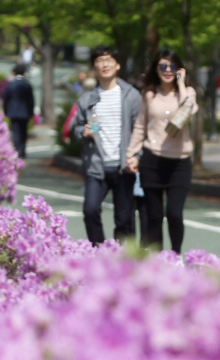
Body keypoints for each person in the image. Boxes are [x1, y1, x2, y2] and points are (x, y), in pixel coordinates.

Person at [126, 49, 198, 254]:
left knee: (174, 213)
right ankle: (157, 262)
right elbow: (140, 126)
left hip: (180, 162)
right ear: (156, 69)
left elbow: (190, 110)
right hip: (153, 160)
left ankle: (176, 256)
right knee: (154, 217)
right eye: (162, 66)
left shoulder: (188, 93)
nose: (167, 71)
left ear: (179, 69)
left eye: (172, 67)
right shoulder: (149, 93)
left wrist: (181, 84)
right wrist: (131, 154)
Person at [74, 46, 142, 246]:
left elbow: (140, 129)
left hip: (123, 166)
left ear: (118, 65)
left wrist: (137, 155)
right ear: (94, 68)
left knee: (124, 219)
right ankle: (98, 251)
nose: (105, 64)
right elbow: (77, 128)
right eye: (100, 61)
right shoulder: (87, 99)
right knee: (90, 210)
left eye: (109, 60)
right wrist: (83, 132)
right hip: (97, 165)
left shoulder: (131, 95)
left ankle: (121, 259)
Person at [3, 63, 35, 159]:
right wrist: (31, 112)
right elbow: (31, 100)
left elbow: (6, 99)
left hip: (13, 112)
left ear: (14, 72)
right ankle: (22, 150)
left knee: (15, 131)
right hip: (25, 112)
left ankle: (17, 150)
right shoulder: (27, 84)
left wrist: (6, 111)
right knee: (23, 132)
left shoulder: (10, 84)